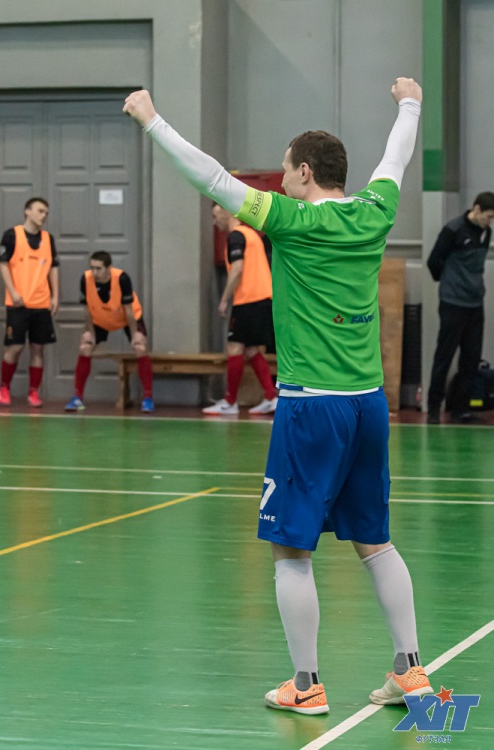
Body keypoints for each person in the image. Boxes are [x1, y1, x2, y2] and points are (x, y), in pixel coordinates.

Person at [123, 77, 433, 713]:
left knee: (290, 549)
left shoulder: (291, 219)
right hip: (367, 404)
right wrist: (410, 103)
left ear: (305, 172)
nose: (281, 177)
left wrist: (152, 120)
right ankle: (411, 671)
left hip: (311, 406)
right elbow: (396, 157)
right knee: (375, 541)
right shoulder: (375, 210)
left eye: (287, 168)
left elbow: (212, 178)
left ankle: (306, 684)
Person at [426, 192, 494, 425]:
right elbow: (433, 262)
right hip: (453, 303)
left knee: (470, 358)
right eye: (488, 217)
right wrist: (450, 283)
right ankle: (434, 408)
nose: (489, 222)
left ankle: (461, 409)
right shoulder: (453, 230)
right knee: (444, 356)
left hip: (475, 304)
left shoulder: (486, 232)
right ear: (476, 209)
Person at [203, 204, 277, 416]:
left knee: (234, 347)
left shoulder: (236, 236)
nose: (214, 222)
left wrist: (224, 299)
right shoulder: (250, 234)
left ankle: (230, 402)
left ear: (228, 213)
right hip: (262, 299)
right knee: (251, 349)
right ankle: (270, 397)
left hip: (249, 301)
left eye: (216, 216)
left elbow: (237, 269)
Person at [65, 251, 154, 414]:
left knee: (140, 347)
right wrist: (90, 333)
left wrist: (134, 334)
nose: (94, 272)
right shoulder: (85, 279)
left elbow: (129, 311)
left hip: (127, 317)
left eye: (98, 268)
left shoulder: (122, 279)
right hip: (101, 318)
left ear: (109, 268)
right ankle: (77, 397)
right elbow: (87, 310)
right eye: (92, 268)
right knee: (85, 347)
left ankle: (147, 398)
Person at [0, 197, 59, 407]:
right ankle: (4, 387)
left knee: (38, 349)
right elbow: (3, 264)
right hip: (18, 303)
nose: (44, 215)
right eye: (40, 211)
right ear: (27, 211)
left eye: (46, 212)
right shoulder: (11, 235)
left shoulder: (48, 239)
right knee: (15, 347)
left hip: (41, 304)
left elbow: (53, 268)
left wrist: (55, 296)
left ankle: (34, 392)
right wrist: (13, 292)